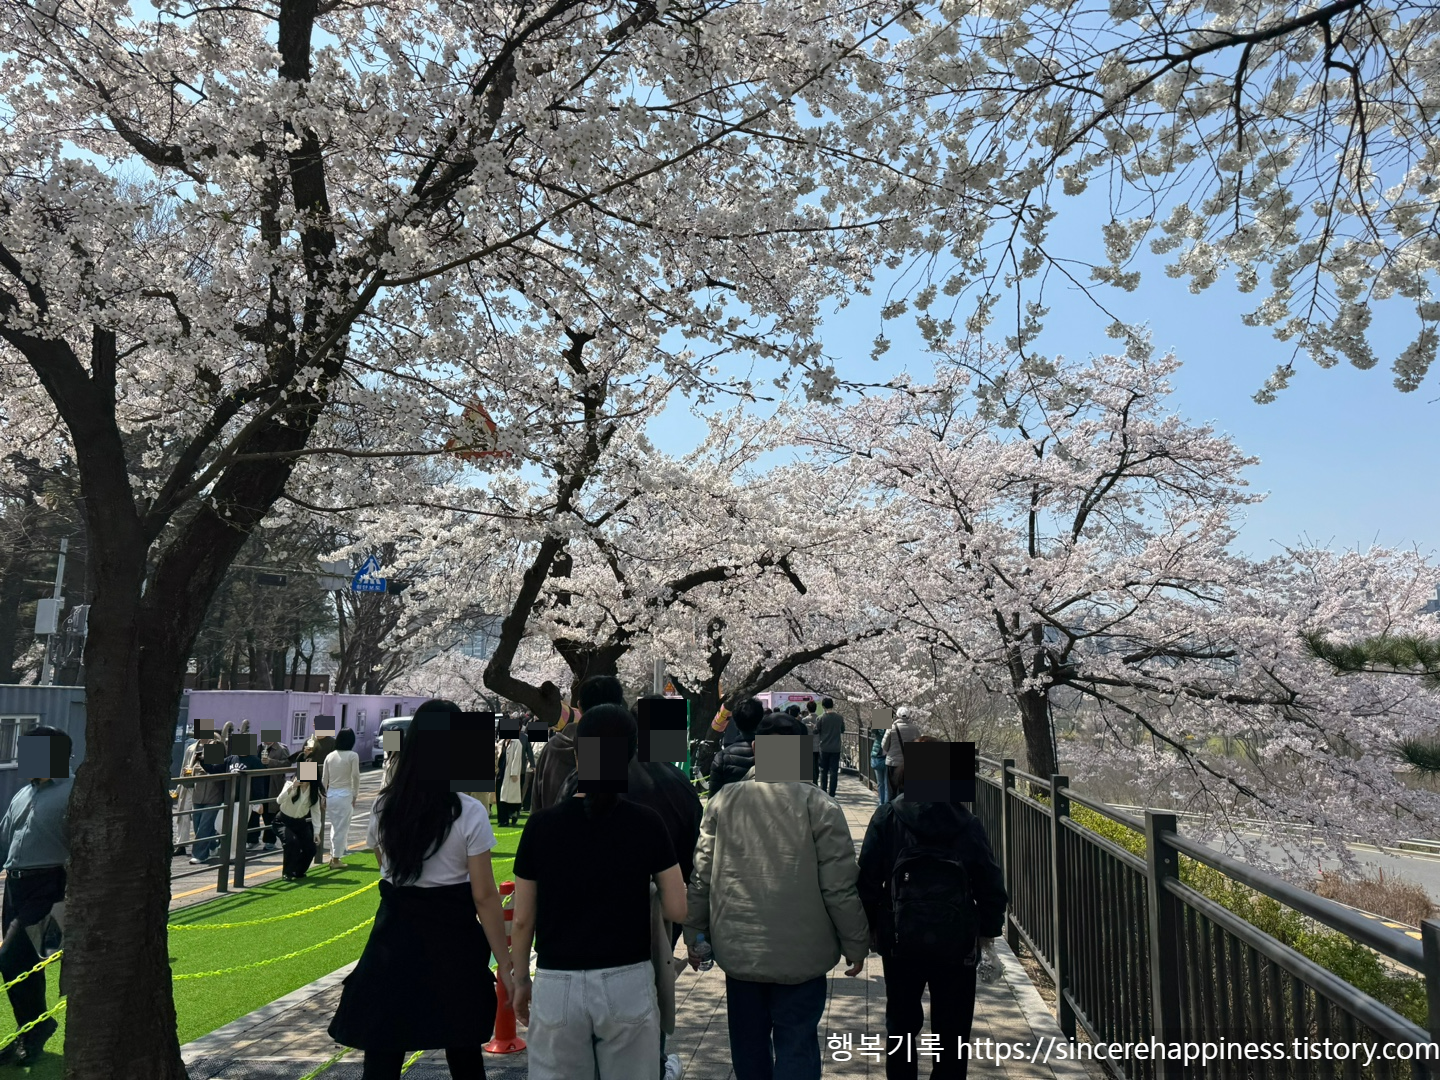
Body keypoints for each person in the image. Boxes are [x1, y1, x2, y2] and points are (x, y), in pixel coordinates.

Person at [329, 699, 515, 1079]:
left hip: (395, 937)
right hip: (454, 938)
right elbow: (484, 895)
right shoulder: (468, 812)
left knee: (384, 1049)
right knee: (463, 1049)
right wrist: (507, 966)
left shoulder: (385, 806)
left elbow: (383, 864)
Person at [686, 711, 870, 1080]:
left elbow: (702, 875)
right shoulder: (820, 806)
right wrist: (856, 942)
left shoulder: (724, 801)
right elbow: (838, 886)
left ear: (756, 748)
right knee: (798, 1043)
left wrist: (695, 934)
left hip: (740, 949)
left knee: (748, 1045)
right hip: (804, 953)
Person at [511, 704, 687, 1080]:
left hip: (557, 982)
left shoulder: (541, 826)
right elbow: (677, 906)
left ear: (578, 753)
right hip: (627, 980)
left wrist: (521, 980)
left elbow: (523, 918)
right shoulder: (646, 823)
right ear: (630, 755)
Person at [555, 706, 706, 1080]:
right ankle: (652, 1064)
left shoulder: (576, 786)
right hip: (651, 924)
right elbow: (693, 860)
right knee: (647, 1001)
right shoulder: (674, 785)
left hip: (577, 929)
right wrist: (693, 926)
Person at [857, 740, 1008, 1080]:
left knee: (901, 1025)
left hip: (900, 938)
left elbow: (867, 879)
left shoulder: (887, 816)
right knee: (952, 1032)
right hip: (956, 942)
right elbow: (990, 883)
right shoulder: (967, 823)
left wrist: (867, 929)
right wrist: (988, 932)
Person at [0, 726, 72, 1065]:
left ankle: (36, 1030)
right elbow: (5, 841)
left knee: (13, 958)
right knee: (21, 966)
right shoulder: (22, 794)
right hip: (14, 886)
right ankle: (28, 1031)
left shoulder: (75, 792)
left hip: (51, 885)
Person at [530, 674, 624, 812]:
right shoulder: (621, 752)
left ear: (579, 706)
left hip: (552, 828)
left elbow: (536, 803)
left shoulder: (552, 748)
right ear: (619, 706)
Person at [706, 698, 764, 797]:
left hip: (733, 811)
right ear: (761, 720)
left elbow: (714, 798)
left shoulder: (723, 757)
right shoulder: (778, 753)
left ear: (736, 723)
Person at [188, 728, 229, 864]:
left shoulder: (215, 745)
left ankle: (200, 855)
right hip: (198, 791)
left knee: (204, 825)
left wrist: (201, 768)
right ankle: (214, 843)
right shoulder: (194, 748)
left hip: (213, 792)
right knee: (198, 823)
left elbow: (214, 770)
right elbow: (189, 767)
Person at [276, 766, 324, 880]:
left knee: (311, 848)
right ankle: (287, 873)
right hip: (282, 821)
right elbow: (279, 800)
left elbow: (316, 813)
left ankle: (298, 871)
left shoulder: (313, 791)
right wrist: (291, 788)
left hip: (300, 822)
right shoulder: (290, 785)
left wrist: (316, 832)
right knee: (292, 842)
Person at [323, 727, 361, 868]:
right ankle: (336, 858)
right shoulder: (353, 755)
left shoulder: (330, 755)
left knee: (335, 826)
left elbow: (324, 778)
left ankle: (334, 855)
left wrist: (323, 796)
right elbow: (355, 776)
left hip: (331, 794)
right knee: (342, 827)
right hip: (345, 794)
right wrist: (355, 794)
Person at [881, 707, 921, 803]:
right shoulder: (914, 729)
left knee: (891, 791)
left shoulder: (891, 728)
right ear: (908, 716)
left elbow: (884, 746)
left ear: (897, 716)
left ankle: (892, 810)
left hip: (892, 763)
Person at [816, 698, 846, 798]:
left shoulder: (821, 718)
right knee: (834, 771)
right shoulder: (839, 717)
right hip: (836, 748)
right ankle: (832, 792)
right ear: (832, 705)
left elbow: (816, 730)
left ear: (823, 706)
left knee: (823, 770)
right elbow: (842, 730)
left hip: (824, 747)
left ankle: (823, 791)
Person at [870, 729, 889, 804]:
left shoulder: (894, 726)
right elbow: (874, 731)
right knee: (882, 782)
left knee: (885, 782)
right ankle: (882, 803)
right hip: (879, 755)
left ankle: (884, 803)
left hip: (887, 756)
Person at [805, 701, 821, 784]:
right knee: (816, 764)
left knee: (810, 765)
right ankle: (816, 780)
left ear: (807, 709)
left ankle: (812, 781)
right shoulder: (819, 719)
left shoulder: (804, 720)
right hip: (818, 744)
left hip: (808, 744)